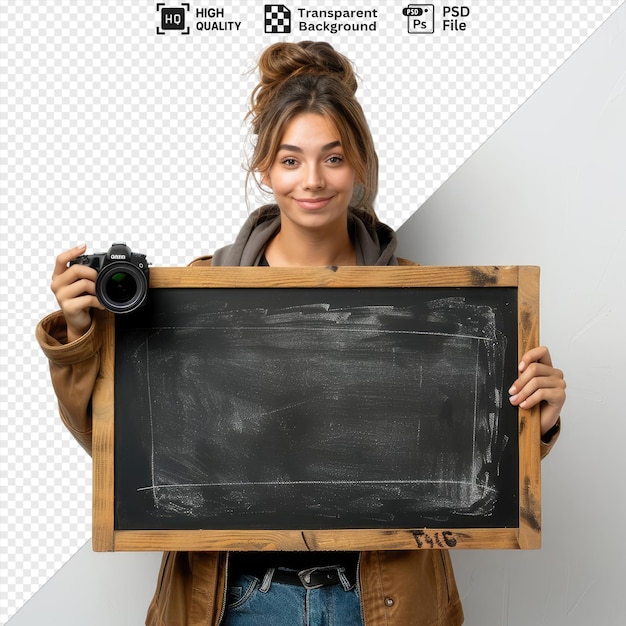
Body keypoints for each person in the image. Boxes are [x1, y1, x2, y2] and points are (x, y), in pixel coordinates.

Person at [37, 41, 565, 626]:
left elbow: (473, 463)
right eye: (290, 160)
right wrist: (82, 333)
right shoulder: (192, 296)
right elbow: (115, 448)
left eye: (332, 158)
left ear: (359, 164)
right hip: (236, 599)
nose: (311, 180)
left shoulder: (437, 309)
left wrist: (533, 419)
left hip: (379, 600)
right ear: (264, 169)